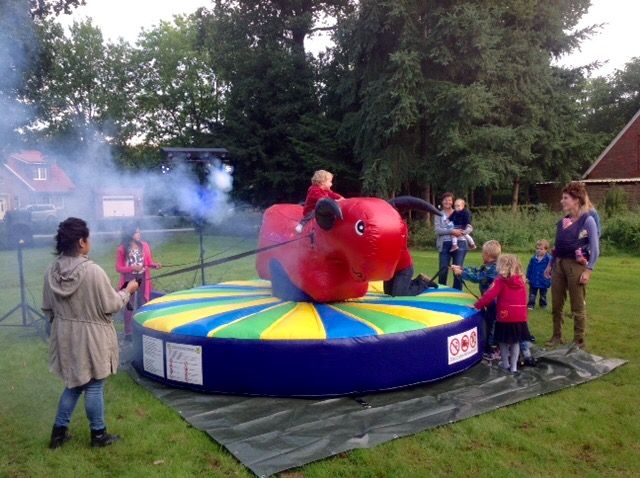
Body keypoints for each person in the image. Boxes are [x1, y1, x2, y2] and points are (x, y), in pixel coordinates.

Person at [43, 217, 139, 449]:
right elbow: (111, 305)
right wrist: (128, 291)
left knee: (74, 384)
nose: (90, 241)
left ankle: (58, 434)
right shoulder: (93, 272)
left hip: (64, 335)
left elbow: (48, 308)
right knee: (94, 384)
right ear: (81, 242)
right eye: (89, 237)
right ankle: (98, 435)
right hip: (91, 337)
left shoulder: (51, 271)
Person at [544, 182, 600, 349]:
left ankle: (578, 342)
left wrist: (589, 270)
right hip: (558, 265)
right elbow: (557, 246)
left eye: (565, 198)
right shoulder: (563, 221)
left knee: (577, 305)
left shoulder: (588, 220)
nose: (562, 201)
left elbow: (596, 248)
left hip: (576, 266)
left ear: (576, 200)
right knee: (556, 304)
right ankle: (556, 336)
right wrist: (550, 265)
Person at [473, 254, 531, 374]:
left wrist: (476, 305)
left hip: (505, 316)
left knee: (503, 341)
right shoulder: (522, 280)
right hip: (519, 317)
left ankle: (505, 364)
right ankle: (514, 367)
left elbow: (489, 295)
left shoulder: (500, 280)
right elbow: (525, 299)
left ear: (502, 266)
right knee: (515, 342)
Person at [451, 240, 501, 358]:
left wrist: (461, 273)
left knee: (492, 324)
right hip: (490, 302)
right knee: (490, 322)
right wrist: (462, 268)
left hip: (494, 303)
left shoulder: (493, 269)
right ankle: (491, 345)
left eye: (483, 253)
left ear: (488, 255)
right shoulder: (488, 266)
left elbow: (478, 277)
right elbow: (476, 270)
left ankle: (491, 348)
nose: (482, 255)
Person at [115, 225, 161, 341]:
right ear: (130, 234)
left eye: (139, 232)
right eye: (137, 233)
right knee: (129, 305)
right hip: (129, 279)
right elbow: (119, 268)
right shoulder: (122, 249)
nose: (139, 234)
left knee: (143, 302)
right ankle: (128, 333)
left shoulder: (144, 245)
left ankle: (142, 329)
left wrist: (154, 265)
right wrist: (132, 268)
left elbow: (148, 262)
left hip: (143, 277)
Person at [384, 214, 435, 296]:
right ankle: (415, 281)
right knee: (388, 293)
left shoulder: (400, 226)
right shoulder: (382, 227)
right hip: (391, 269)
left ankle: (423, 283)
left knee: (399, 294)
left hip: (403, 268)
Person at [435, 192, 473, 290]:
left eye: (449, 200)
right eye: (445, 200)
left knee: (457, 270)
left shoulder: (459, 211)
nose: (447, 202)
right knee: (443, 270)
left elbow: (469, 226)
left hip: (460, 243)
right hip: (444, 244)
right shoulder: (438, 214)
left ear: (453, 202)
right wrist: (451, 231)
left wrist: (463, 232)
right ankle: (441, 291)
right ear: (442, 201)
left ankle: (457, 293)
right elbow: (437, 230)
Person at [526, 239, 552, 309]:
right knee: (532, 294)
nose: (539, 250)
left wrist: (550, 277)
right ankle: (531, 305)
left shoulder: (549, 259)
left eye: (541, 249)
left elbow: (552, 270)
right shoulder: (533, 258)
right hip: (534, 280)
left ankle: (543, 305)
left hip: (544, 280)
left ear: (546, 250)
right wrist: (527, 277)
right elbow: (529, 268)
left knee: (543, 294)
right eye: (537, 248)